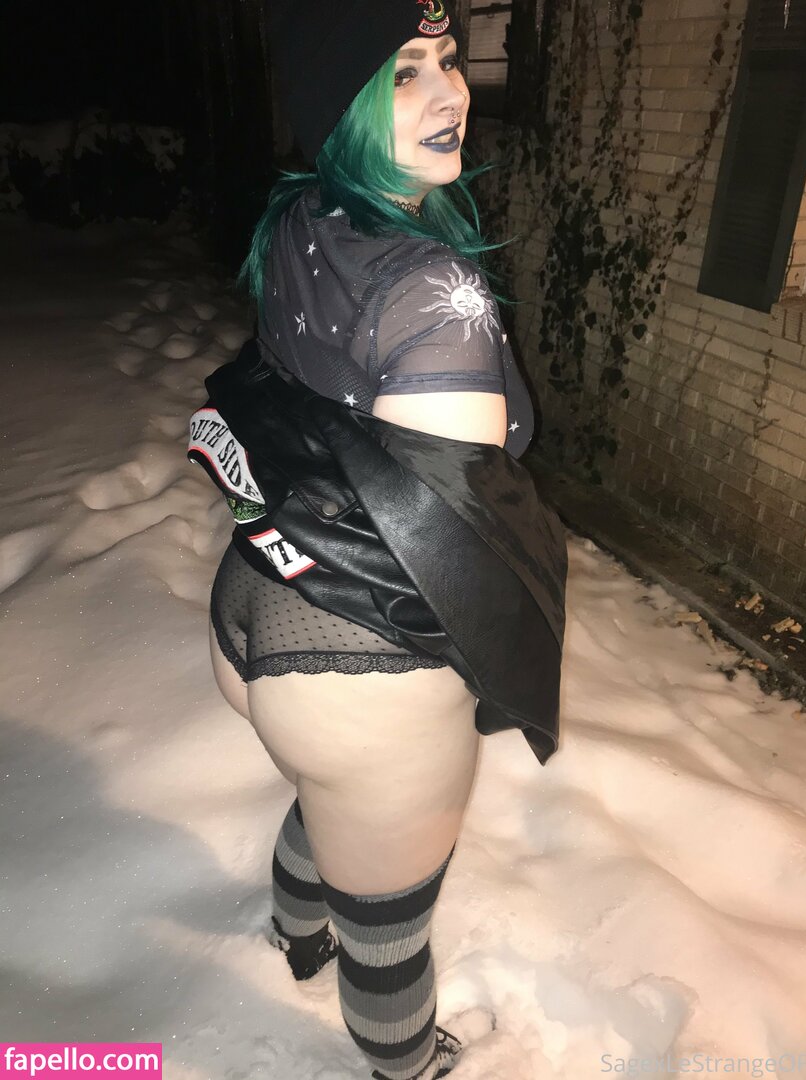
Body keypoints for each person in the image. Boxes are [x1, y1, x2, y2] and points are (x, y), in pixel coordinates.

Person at [196, 3, 566, 1077]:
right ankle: (408, 1063)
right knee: (390, 920)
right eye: (405, 71)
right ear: (341, 101)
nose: (452, 92)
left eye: (448, 59)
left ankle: (298, 932)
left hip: (254, 603)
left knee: (332, 798)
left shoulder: (297, 214)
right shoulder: (432, 296)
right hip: (364, 664)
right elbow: (459, 538)